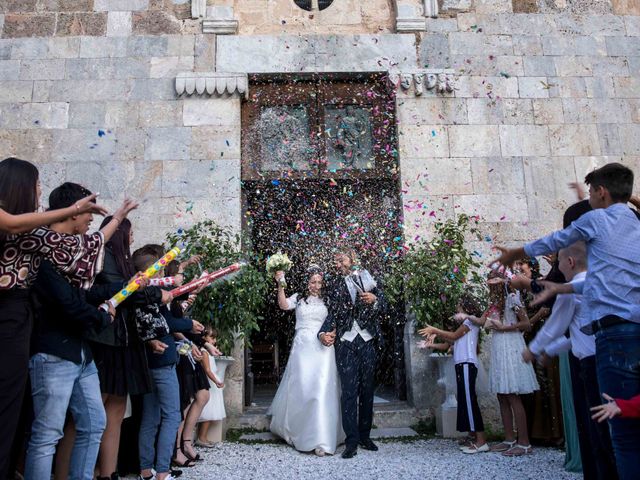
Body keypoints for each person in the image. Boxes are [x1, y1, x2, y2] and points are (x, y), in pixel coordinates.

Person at [493, 163, 640, 479]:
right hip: (634, 330)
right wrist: (562, 286)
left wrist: (517, 251)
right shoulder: (634, 223)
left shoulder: (598, 219)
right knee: (628, 420)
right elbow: (606, 281)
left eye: (590, 193)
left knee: (620, 432)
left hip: (612, 336)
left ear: (601, 192)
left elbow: (560, 237)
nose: (588, 199)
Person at [0, 158, 134, 479]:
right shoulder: (20, 228)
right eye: (35, 185)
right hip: (20, 330)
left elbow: (87, 245)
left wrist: (117, 217)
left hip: (21, 326)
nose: (39, 191)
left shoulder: (35, 237)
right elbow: (13, 224)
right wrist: (72, 207)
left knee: (13, 416)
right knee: (39, 429)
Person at [24, 182, 125, 480]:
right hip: (53, 351)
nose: (92, 219)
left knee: (94, 424)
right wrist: (103, 316)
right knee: (47, 434)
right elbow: (69, 303)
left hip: (81, 352)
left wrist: (127, 288)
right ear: (73, 211)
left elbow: (85, 292)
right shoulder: (43, 250)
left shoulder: (75, 253)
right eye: (89, 211)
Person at [522, 242, 618, 479]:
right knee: (608, 428)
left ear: (570, 262)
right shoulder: (600, 286)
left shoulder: (569, 290)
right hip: (607, 360)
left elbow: (556, 325)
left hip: (588, 365)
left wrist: (533, 349)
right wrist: (551, 351)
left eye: (559, 263)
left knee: (592, 427)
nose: (558, 268)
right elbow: (580, 333)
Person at [90, 221, 169, 480]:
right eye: (130, 233)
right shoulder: (105, 259)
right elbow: (125, 294)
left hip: (124, 341)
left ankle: (108, 473)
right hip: (107, 341)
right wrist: (157, 295)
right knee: (96, 412)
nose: (133, 237)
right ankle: (87, 470)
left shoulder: (122, 261)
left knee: (116, 409)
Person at [133, 247, 202, 480]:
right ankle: (162, 471)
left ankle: (145, 470)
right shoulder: (150, 293)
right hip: (162, 361)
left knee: (150, 417)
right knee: (172, 415)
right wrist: (190, 324)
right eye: (161, 267)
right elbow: (167, 323)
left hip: (148, 363)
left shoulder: (142, 293)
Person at [270, 265, 345, 456]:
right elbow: (283, 305)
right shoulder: (299, 298)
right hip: (303, 346)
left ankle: (322, 437)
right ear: (307, 282)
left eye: (319, 282)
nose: (316, 285)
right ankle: (300, 432)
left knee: (321, 387)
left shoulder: (328, 300)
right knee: (303, 387)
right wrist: (280, 284)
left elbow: (336, 320)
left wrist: (332, 334)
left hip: (323, 347)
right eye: (313, 282)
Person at [318, 249, 386, 459]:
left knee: (367, 391)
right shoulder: (335, 285)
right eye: (336, 261)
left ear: (352, 259)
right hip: (346, 343)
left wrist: (375, 298)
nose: (338, 264)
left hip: (368, 341)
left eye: (341, 259)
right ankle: (351, 441)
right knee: (348, 393)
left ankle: (365, 435)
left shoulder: (370, 278)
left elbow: (385, 305)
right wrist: (321, 333)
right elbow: (332, 313)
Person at [418, 294, 487, 454]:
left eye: (458, 306)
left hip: (467, 364)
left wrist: (435, 329)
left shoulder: (471, 322)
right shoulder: (464, 324)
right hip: (461, 365)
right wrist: (430, 345)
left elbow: (454, 336)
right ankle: (472, 436)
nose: (456, 309)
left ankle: (481, 440)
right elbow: (449, 345)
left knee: (470, 402)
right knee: (465, 401)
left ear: (466, 308)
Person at [484, 271, 539, 456]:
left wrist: (504, 327)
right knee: (502, 394)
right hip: (500, 346)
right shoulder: (496, 303)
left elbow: (526, 324)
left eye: (494, 283)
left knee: (513, 394)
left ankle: (524, 442)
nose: (491, 287)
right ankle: (509, 438)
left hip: (511, 345)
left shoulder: (513, 298)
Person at [197, 327, 226, 448]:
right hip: (209, 383)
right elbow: (207, 370)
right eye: (212, 337)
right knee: (208, 412)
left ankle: (204, 437)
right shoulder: (204, 351)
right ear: (204, 338)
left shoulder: (208, 351)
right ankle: (201, 438)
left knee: (210, 412)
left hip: (212, 382)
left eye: (215, 338)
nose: (214, 341)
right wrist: (216, 381)